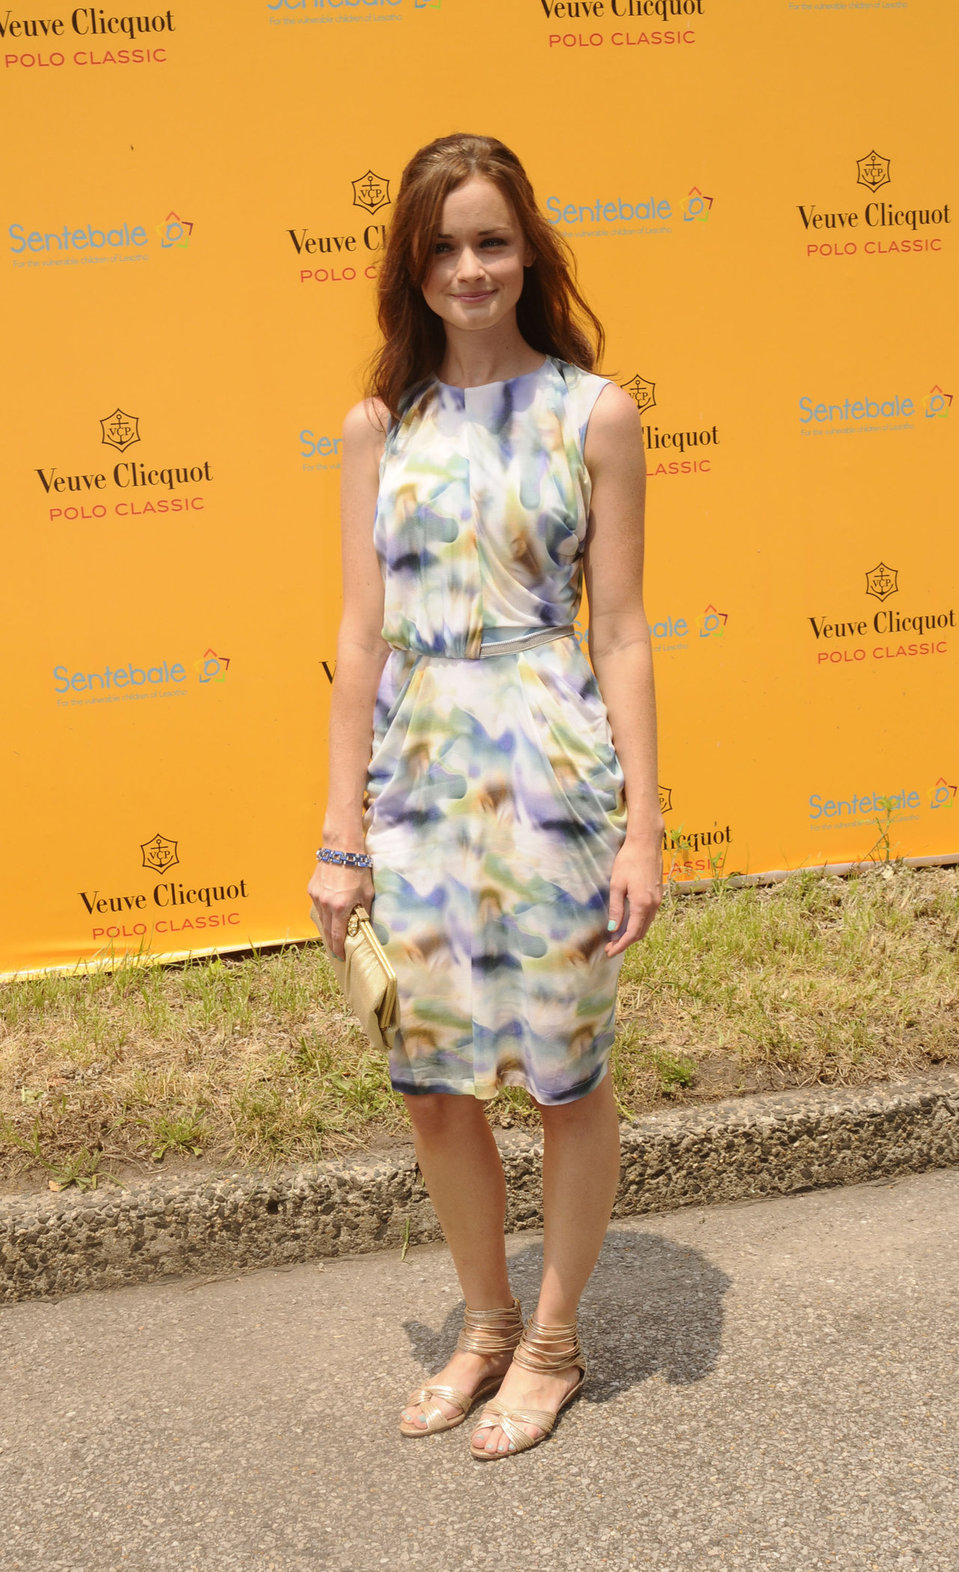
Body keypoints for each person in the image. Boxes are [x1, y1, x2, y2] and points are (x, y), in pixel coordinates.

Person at [308, 133, 663, 1460]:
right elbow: (359, 637)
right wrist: (340, 838)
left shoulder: (593, 413)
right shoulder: (376, 427)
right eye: (444, 244)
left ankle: (556, 1344)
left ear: (529, 251)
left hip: (551, 766)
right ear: (413, 263)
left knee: (564, 1080)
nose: (469, 267)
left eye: (491, 240)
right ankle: (483, 1321)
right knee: (431, 1083)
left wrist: (642, 827)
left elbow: (620, 629)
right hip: (417, 782)